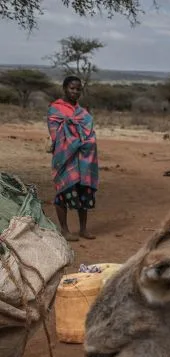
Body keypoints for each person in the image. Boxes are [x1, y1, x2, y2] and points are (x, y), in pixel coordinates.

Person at [48, 76, 98, 241]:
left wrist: (84, 140)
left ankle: (83, 229)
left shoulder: (83, 113)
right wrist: (72, 134)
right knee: (64, 191)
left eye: (78, 89)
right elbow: (55, 135)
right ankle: (64, 230)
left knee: (83, 190)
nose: (75, 92)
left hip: (83, 158)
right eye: (72, 88)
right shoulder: (55, 109)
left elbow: (90, 134)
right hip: (64, 157)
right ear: (64, 88)